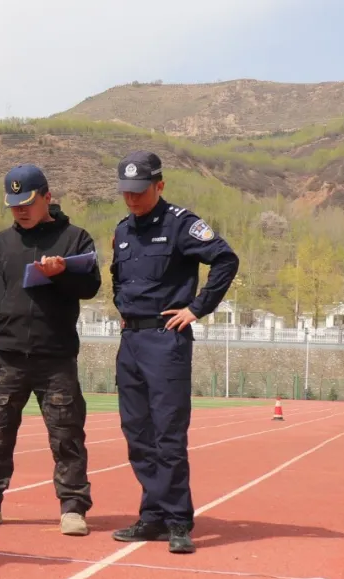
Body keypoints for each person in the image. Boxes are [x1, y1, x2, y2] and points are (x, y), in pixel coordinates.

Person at [109, 151, 239, 554]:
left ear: (159, 186)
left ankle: (178, 520)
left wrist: (197, 309)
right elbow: (118, 278)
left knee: (168, 434)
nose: (132, 199)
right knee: (137, 434)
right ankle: (152, 516)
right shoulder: (122, 230)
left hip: (166, 342)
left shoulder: (181, 225)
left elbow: (225, 259)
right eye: (126, 192)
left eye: (140, 191)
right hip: (131, 341)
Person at [0, 164, 102, 536]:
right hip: (7, 356)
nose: (19, 210)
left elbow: (91, 286)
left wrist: (63, 274)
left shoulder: (76, 238)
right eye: (13, 204)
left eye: (26, 202)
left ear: (47, 198)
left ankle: (73, 507)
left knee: (67, 435)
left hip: (56, 357)